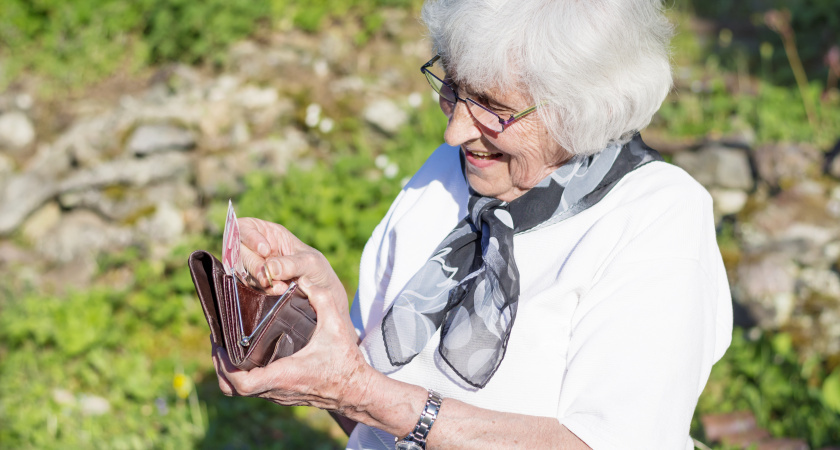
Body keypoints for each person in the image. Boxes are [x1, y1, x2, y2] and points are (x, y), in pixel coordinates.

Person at [211, 0, 734, 448]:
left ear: (581, 110)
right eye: (455, 89)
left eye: (493, 108)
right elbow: (369, 414)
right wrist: (304, 317)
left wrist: (358, 391)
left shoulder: (656, 217)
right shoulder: (449, 176)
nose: (455, 131)